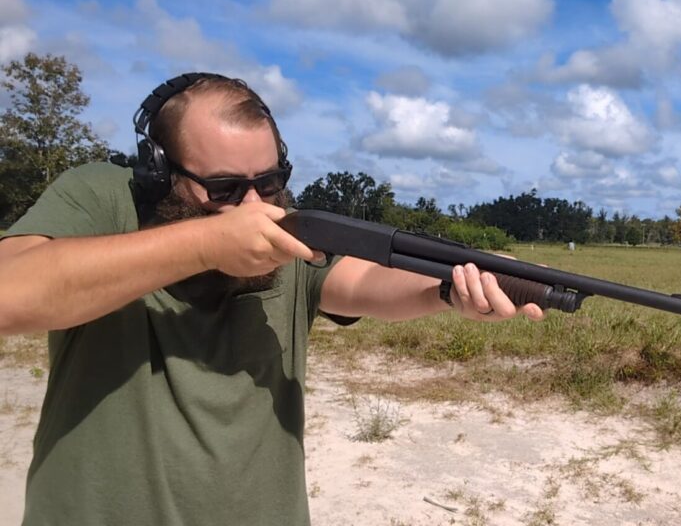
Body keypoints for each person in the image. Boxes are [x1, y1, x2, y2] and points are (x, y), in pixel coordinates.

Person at [0, 73, 544, 526]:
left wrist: (450, 288)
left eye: (269, 180)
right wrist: (206, 243)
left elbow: (359, 281)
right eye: (224, 190)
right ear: (158, 172)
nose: (256, 206)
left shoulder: (282, 227)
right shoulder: (101, 196)